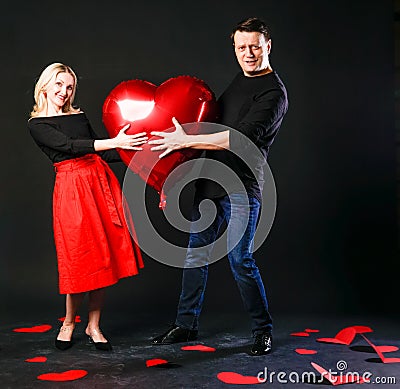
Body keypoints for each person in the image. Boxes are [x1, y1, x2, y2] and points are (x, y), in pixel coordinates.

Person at [149, 17, 288, 355]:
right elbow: (206, 125)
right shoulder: (238, 82)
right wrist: (170, 174)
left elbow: (240, 139)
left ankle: (262, 331)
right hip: (209, 184)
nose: (248, 53)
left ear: (268, 46)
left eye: (255, 46)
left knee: (241, 260)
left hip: (242, 188)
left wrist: (186, 138)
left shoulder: (273, 93)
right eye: (242, 47)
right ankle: (186, 324)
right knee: (195, 255)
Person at [28, 63, 147, 351]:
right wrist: (113, 142)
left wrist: (136, 153)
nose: (63, 92)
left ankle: (94, 325)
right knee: (79, 259)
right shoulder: (37, 124)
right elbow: (70, 146)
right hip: (72, 190)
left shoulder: (78, 115)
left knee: (103, 256)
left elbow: (101, 153)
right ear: (44, 85)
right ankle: (69, 322)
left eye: (69, 86)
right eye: (58, 85)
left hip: (99, 182)